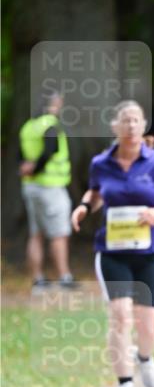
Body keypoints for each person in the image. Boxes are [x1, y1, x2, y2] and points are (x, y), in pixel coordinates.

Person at [71, 101, 154, 387]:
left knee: (148, 323)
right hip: (112, 251)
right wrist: (84, 207)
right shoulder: (101, 163)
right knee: (120, 316)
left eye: (136, 120)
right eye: (126, 120)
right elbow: (95, 193)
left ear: (143, 125)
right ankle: (124, 386)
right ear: (115, 127)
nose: (131, 125)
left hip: (150, 251)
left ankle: (145, 357)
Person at [19, 91, 75, 290]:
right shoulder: (50, 124)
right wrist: (37, 168)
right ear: (54, 103)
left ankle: (38, 279)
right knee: (59, 233)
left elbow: (22, 155)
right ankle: (64, 277)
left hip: (30, 186)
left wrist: (29, 169)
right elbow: (50, 150)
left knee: (36, 233)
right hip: (51, 186)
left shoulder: (28, 126)